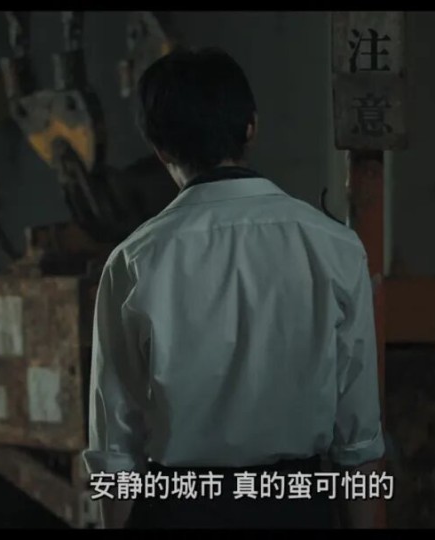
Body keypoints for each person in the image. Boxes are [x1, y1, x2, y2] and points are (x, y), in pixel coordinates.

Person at [82, 47, 385, 529]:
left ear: (160, 150)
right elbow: (360, 439)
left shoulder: (134, 261)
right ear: (251, 127)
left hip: (179, 511)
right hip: (297, 509)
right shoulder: (335, 247)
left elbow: (115, 450)